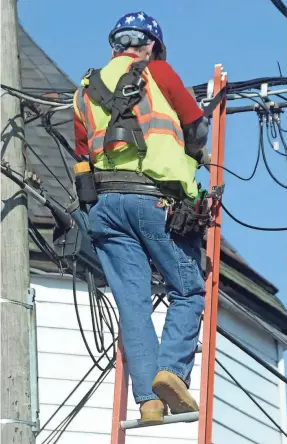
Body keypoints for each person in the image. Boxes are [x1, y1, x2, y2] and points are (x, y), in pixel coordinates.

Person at [73, 11, 208, 425]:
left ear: (114, 45)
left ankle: (148, 400)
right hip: (154, 200)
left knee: (133, 304)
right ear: (150, 45)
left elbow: (82, 161)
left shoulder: (83, 93)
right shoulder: (160, 72)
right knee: (187, 290)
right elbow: (196, 129)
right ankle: (172, 372)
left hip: (106, 209)